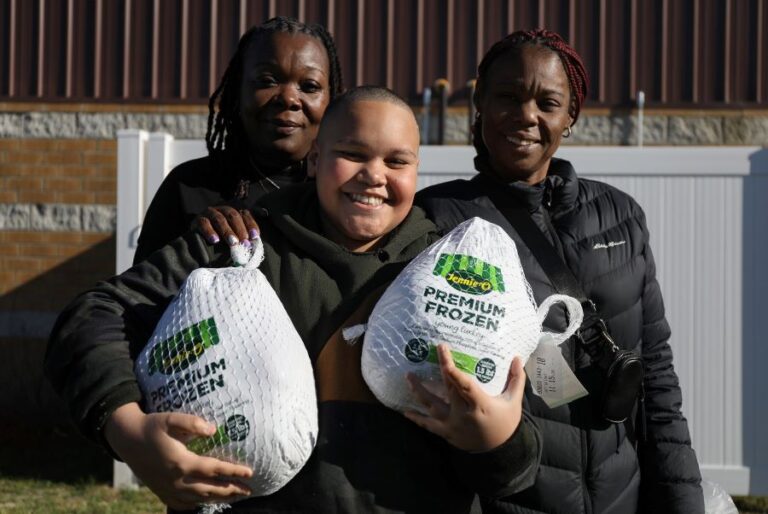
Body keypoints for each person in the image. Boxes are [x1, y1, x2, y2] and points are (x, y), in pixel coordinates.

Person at [46, 86, 541, 513]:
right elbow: (94, 315)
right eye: (352, 153)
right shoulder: (237, 242)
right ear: (315, 157)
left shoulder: (457, 272)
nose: (374, 174)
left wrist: (498, 440)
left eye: (396, 161)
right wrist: (127, 430)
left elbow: (514, 470)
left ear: (417, 169)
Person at [415, 30, 705, 513]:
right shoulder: (439, 220)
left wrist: (682, 502)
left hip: (622, 497)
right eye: (508, 96)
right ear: (479, 102)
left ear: (570, 116)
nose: (526, 115)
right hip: (506, 497)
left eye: (547, 102)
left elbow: (655, 378)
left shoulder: (620, 216)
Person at [133, 16, 344, 264]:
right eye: (267, 81)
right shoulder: (188, 187)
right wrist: (194, 248)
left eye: (309, 86)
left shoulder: (347, 189)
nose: (289, 98)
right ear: (237, 92)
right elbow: (136, 297)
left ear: (332, 100)